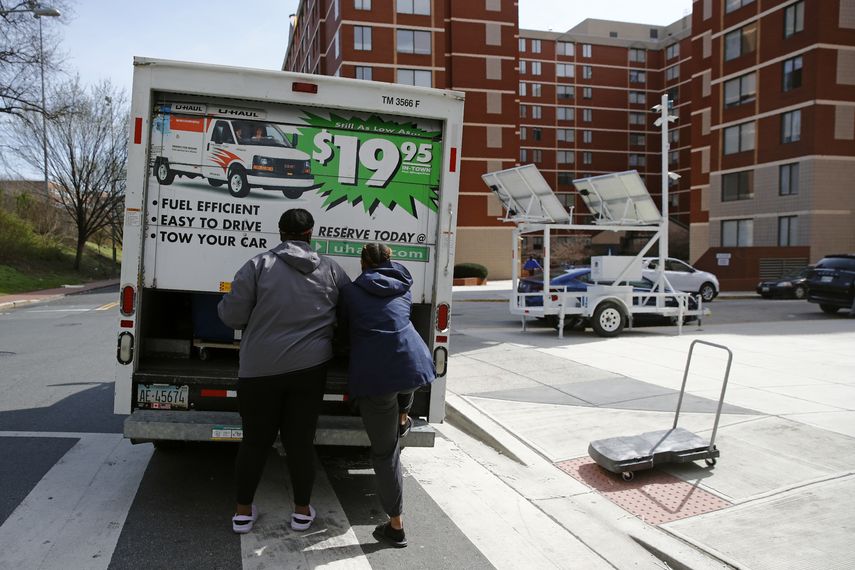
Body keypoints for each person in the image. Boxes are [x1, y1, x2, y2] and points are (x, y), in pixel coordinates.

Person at [218, 208, 350, 535]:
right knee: (300, 443)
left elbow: (232, 317)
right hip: (309, 368)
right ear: (311, 233)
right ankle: (302, 512)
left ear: (281, 233)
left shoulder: (258, 266)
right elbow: (349, 311)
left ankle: (242, 513)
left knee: (254, 442)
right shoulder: (332, 270)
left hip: (259, 369)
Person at [338, 243, 435, 548]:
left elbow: (343, 329)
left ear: (362, 263)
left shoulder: (351, 292)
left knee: (384, 452)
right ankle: (404, 415)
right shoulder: (404, 286)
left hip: (378, 374)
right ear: (391, 261)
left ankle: (396, 525)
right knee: (404, 387)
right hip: (413, 361)